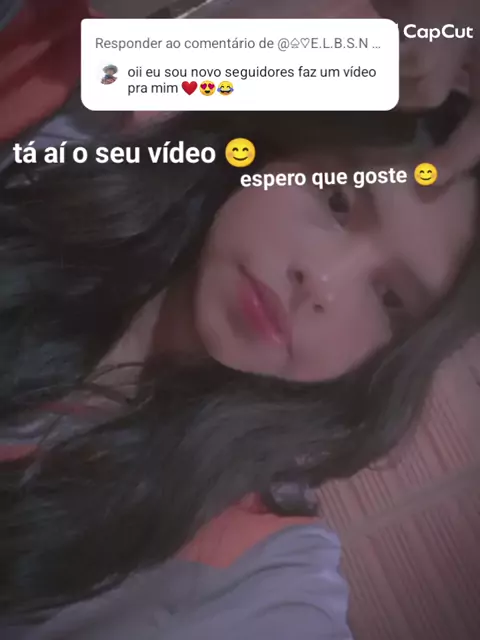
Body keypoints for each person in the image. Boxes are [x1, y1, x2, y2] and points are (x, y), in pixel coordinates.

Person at [0, 104, 479, 638]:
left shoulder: (254, 568)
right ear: (274, 152)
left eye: (390, 298)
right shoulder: (71, 157)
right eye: (338, 201)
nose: (322, 280)